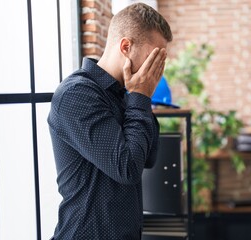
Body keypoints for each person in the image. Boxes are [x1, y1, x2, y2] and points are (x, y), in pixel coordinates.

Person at [47, 3, 172, 239]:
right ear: (125, 46)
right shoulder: (76, 94)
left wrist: (140, 96)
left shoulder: (125, 92)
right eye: (153, 58)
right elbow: (128, 168)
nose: (157, 70)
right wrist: (139, 96)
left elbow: (150, 155)